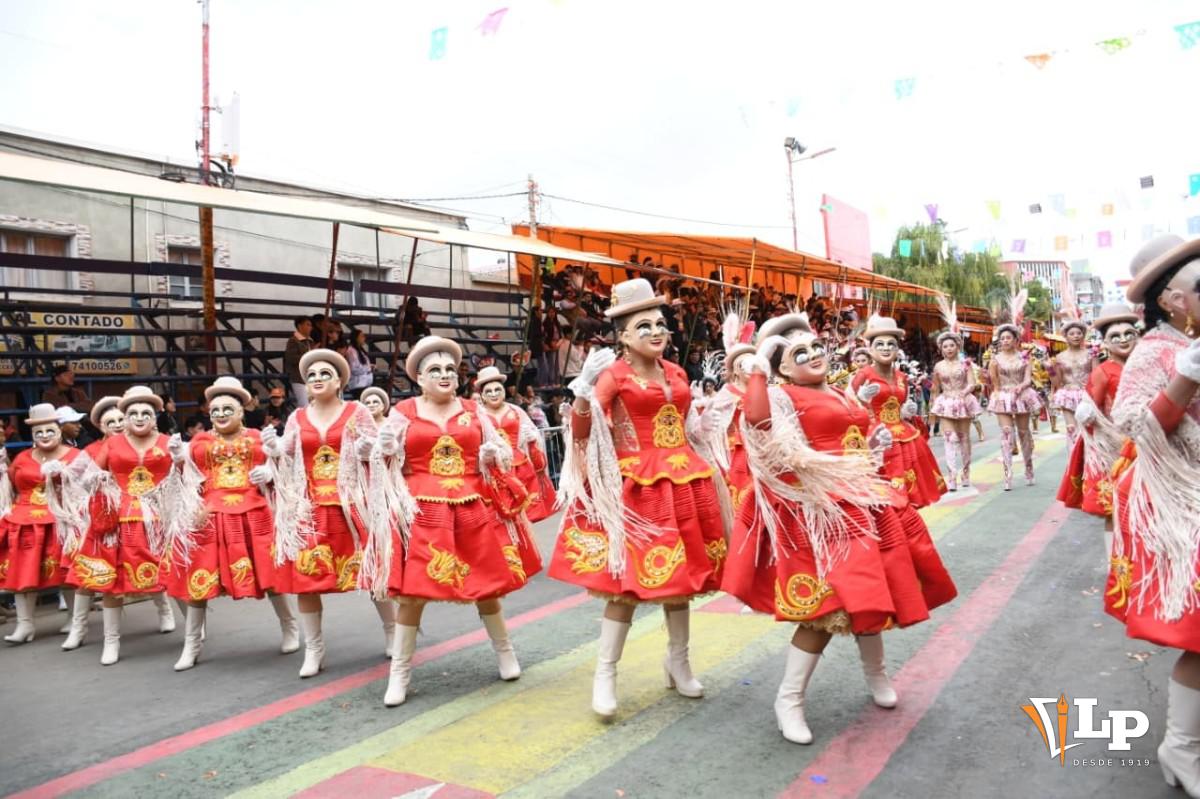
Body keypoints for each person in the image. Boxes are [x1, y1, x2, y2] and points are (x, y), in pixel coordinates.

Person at [724, 316, 953, 744]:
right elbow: (756, 421)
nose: (813, 355)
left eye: (815, 346)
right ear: (783, 367)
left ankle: (877, 676)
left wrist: (872, 447)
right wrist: (758, 366)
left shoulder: (840, 390)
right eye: (798, 354)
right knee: (825, 608)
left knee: (872, 594)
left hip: (864, 499)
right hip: (820, 511)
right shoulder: (781, 395)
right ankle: (788, 700)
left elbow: (849, 440)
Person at [549, 278, 729, 719]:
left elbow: (684, 423)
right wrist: (583, 396)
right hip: (637, 489)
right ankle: (606, 674)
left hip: (686, 481)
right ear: (623, 337)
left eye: (661, 323)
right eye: (643, 325)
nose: (656, 331)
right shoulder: (614, 377)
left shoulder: (678, 373)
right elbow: (582, 434)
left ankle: (679, 661)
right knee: (625, 587)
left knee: (680, 582)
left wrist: (704, 426)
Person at [376, 337, 541, 707]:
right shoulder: (403, 411)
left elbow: (500, 448)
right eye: (435, 370)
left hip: (471, 506)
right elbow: (386, 460)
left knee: (488, 586)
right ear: (419, 378)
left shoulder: (472, 409)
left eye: (451, 369)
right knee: (414, 594)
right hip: (421, 511)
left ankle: (505, 653)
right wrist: (382, 450)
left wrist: (492, 453)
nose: (445, 375)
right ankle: (400, 673)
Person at [1101, 235, 1200, 792]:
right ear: (1173, 301)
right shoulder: (1155, 352)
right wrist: (1187, 375)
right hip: (1180, 498)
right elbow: (1136, 429)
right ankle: (1182, 748)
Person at [160, 376, 300, 671]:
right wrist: (178, 460)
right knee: (199, 579)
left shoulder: (258, 438)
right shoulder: (200, 441)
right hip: (209, 517)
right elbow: (188, 479)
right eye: (215, 410)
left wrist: (270, 472)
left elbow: (284, 468)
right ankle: (192, 644)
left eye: (228, 408)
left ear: (241, 411)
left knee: (269, 573)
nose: (221, 414)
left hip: (254, 513)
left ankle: (290, 628)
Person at [262, 348, 386, 678]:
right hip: (309, 509)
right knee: (306, 581)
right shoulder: (297, 417)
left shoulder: (357, 411)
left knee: (370, 571)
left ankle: (392, 631)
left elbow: (378, 450)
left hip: (351, 506)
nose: (317, 379)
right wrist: (272, 453)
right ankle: (314, 648)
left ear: (339, 381)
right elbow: (286, 453)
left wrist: (367, 450)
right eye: (311, 375)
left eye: (324, 374)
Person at [66, 386, 192, 664]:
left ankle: (194, 632)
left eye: (145, 412)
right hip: (118, 521)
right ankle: (111, 642)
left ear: (155, 415)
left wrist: (181, 458)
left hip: (162, 521)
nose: (139, 417)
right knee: (113, 584)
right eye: (132, 412)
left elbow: (189, 480)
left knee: (174, 575)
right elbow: (89, 476)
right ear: (124, 417)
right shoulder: (112, 444)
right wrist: (96, 481)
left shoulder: (168, 441)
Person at [0, 404, 94, 643]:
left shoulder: (76, 456)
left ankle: (74, 618)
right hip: (25, 521)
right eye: (38, 432)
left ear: (59, 431)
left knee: (67, 572)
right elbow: (11, 485)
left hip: (63, 520)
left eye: (49, 431)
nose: (44, 436)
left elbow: (88, 487)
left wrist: (66, 476)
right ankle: (25, 625)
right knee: (22, 573)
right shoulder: (22, 457)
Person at [1056, 303, 1140, 552]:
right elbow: (1089, 409)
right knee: (1114, 510)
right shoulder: (1103, 372)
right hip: (1114, 450)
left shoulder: (1145, 366)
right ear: (1105, 342)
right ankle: (1115, 565)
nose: (1123, 340)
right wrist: (1089, 416)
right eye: (1115, 336)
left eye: (1129, 334)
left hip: (1147, 445)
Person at [850, 316, 945, 506]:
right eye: (880, 344)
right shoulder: (863, 375)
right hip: (878, 438)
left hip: (905, 437)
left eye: (891, 344)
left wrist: (906, 412)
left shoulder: (902, 376)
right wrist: (860, 399)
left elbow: (900, 404)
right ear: (870, 349)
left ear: (897, 349)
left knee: (912, 495)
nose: (886, 348)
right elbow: (848, 410)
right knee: (886, 496)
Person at [58, 396, 126, 650]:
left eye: (121, 419)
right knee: (88, 573)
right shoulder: (91, 451)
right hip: (100, 520)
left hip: (135, 517)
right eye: (111, 422)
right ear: (100, 426)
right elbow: (73, 478)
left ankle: (167, 613)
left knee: (148, 570)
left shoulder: (139, 443)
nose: (117, 425)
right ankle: (78, 627)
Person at [475, 366, 558, 523]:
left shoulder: (516, 411)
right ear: (482, 396)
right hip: (494, 469)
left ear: (504, 391)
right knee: (499, 518)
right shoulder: (478, 416)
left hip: (520, 467)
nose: (494, 394)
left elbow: (533, 432)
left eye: (497, 389)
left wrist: (533, 438)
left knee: (525, 517)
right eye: (489, 391)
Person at [988, 290, 1040, 491]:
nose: (1005, 341)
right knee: (1006, 433)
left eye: (1008, 338)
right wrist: (996, 392)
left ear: (1015, 339)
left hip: (1022, 396)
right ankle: (1007, 474)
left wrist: (1022, 386)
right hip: (1003, 397)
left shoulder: (1024, 357)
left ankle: (1028, 468)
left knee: (1024, 432)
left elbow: (1029, 378)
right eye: (1002, 338)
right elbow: (995, 383)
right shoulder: (995, 359)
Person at [930, 301, 983, 490]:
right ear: (941, 349)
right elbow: (935, 388)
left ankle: (966, 473)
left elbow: (973, 383)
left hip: (963, 401)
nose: (949, 349)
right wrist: (932, 408)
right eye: (945, 346)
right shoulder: (938, 366)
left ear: (957, 347)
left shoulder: (965, 364)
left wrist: (965, 392)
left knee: (964, 437)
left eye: (952, 346)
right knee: (949, 437)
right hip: (946, 403)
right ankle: (951, 475)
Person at [1051, 317, 1094, 452]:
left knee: (1088, 429)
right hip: (1068, 394)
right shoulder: (1059, 357)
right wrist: (1049, 369)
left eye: (1078, 333)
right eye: (1072, 334)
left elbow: (1098, 375)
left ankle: (1090, 463)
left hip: (1088, 395)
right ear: (1066, 337)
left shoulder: (1092, 354)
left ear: (1083, 335)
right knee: (1071, 429)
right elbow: (1057, 382)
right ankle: (1073, 464)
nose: (1076, 336)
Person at [284, 316, 315, 409]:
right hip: (298, 378)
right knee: (304, 405)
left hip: (309, 377)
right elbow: (291, 358)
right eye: (308, 325)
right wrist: (308, 355)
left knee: (312, 405)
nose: (310, 327)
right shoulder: (293, 341)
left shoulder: (310, 341)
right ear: (300, 326)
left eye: (311, 325)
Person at [345, 329, 374, 397]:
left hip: (365, 383)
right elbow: (354, 369)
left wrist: (369, 366)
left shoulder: (360, 350)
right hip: (358, 385)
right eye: (362, 336)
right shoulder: (351, 351)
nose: (364, 338)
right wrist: (368, 367)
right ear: (356, 338)